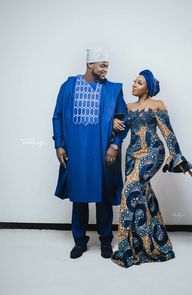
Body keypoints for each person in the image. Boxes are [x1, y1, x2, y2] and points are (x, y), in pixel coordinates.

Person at [111, 69, 192, 268]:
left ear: (147, 87)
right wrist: (112, 121)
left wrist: (178, 157)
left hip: (153, 153)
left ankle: (124, 247)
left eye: (138, 83)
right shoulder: (128, 108)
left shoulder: (158, 105)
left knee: (129, 190)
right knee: (142, 195)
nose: (133, 84)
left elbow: (168, 133)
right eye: (134, 81)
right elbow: (120, 131)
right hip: (132, 155)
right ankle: (154, 242)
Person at [52, 48, 127, 259]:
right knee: (78, 197)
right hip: (76, 152)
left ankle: (105, 241)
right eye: (102, 65)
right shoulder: (68, 87)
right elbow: (57, 116)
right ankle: (79, 241)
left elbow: (125, 121)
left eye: (107, 66)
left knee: (102, 196)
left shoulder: (112, 90)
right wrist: (59, 144)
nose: (106, 70)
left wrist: (115, 145)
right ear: (90, 65)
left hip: (102, 152)